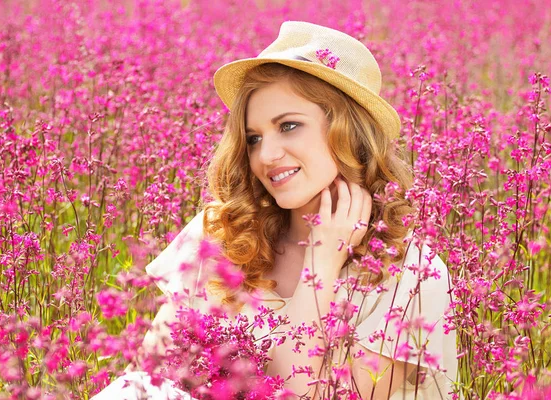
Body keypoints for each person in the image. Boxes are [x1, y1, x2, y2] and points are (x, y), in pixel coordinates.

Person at [93, 21, 457, 400]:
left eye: (289, 126)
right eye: (253, 138)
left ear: (348, 131)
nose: (266, 156)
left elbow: (305, 394)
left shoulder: (413, 275)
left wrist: (322, 260)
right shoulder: (220, 232)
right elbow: (146, 379)